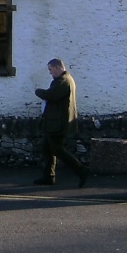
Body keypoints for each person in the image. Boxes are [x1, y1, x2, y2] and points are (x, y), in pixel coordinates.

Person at [33, 58, 89, 188]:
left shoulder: (63, 81)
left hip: (57, 122)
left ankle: (81, 170)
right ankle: (48, 176)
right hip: (54, 121)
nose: (50, 73)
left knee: (57, 150)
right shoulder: (65, 80)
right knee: (47, 149)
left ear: (57, 68)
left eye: (51, 70)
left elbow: (51, 95)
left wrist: (38, 91)